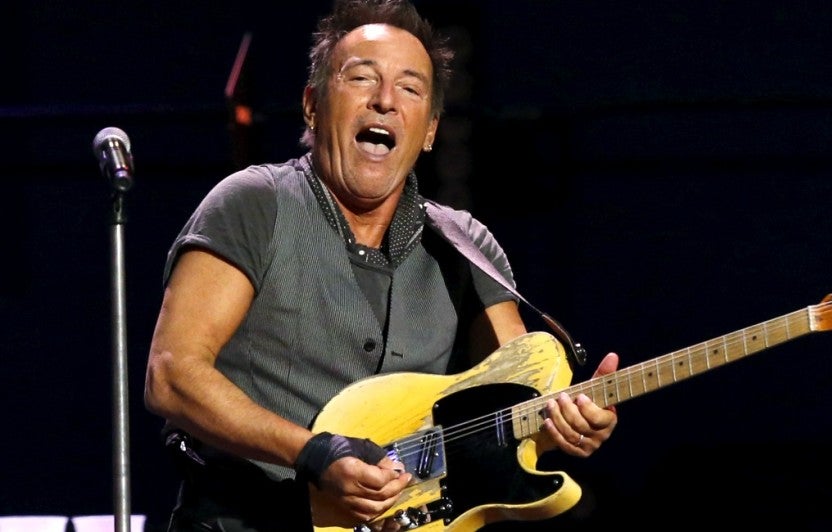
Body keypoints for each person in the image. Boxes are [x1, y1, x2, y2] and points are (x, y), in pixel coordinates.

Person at [143, 0, 620, 530]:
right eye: (361, 78)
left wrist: (562, 425)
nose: (385, 101)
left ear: (430, 130)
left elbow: (514, 405)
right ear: (312, 106)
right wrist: (314, 453)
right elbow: (172, 375)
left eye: (410, 89)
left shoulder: (466, 245)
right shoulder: (255, 203)